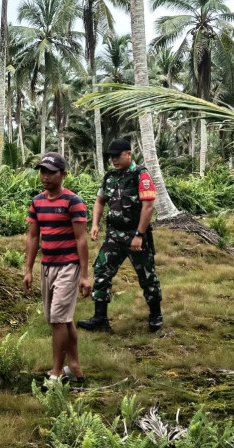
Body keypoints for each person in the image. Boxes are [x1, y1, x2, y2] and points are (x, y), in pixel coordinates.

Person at [77, 138, 162, 333]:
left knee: (147, 276)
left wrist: (139, 234)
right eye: (112, 156)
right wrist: (95, 224)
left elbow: (148, 206)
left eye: (118, 156)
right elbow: (100, 201)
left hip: (136, 235)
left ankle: (156, 315)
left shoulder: (141, 175)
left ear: (129, 154)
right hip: (114, 235)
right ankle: (100, 319)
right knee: (101, 270)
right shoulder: (110, 176)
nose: (114, 159)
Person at [23, 152, 91, 385]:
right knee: (63, 319)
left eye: (51, 172)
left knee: (57, 319)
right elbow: (33, 237)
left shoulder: (74, 202)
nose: (45, 176)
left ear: (63, 174)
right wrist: (29, 269)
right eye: (42, 171)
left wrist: (84, 276)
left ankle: (56, 372)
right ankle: (75, 366)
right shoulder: (37, 202)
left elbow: (81, 240)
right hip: (47, 266)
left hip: (68, 266)